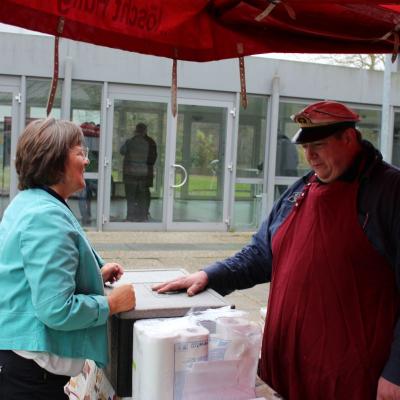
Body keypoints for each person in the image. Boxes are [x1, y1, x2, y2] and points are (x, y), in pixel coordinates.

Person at [153, 101, 400, 400]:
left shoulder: (390, 192)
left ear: (348, 138)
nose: (310, 156)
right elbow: (260, 254)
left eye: (318, 145)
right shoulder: (301, 190)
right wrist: (210, 275)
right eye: (305, 147)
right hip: (286, 369)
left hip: (351, 375)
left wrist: (396, 371)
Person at [0, 118, 136, 399]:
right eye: (79, 152)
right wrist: (110, 304)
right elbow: (55, 309)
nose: (86, 161)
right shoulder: (46, 216)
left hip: (20, 364)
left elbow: (31, 278)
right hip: (31, 377)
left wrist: (92, 276)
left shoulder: (28, 202)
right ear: (55, 160)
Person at [120, 122, 157, 222]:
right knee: (143, 195)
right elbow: (153, 158)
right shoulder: (150, 142)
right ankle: (143, 216)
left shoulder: (130, 142)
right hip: (144, 173)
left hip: (130, 173)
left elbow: (122, 151)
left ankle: (131, 216)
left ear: (136, 130)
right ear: (145, 131)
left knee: (131, 196)